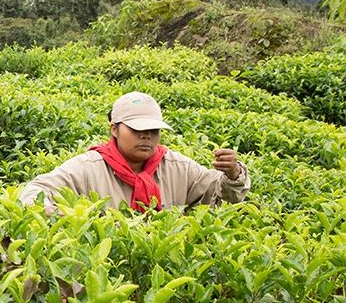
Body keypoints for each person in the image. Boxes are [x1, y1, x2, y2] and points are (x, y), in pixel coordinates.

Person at [19, 91, 250, 213]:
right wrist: (60, 215)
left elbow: (220, 195)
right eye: (137, 129)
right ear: (114, 129)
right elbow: (35, 192)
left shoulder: (176, 167)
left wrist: (233, 173)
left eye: (153, 130)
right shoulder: (87, 168)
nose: (146, 136)